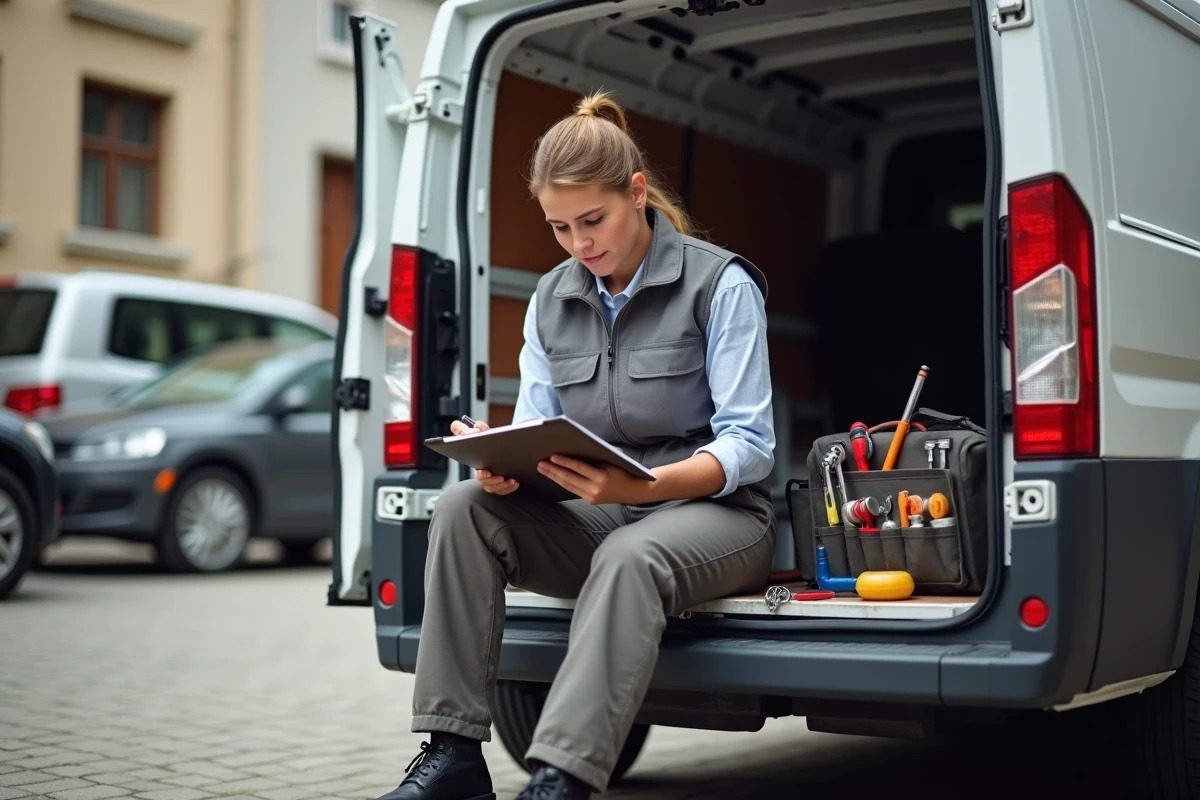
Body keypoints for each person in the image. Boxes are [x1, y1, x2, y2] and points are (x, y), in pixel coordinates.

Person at [378, 90, 777, 800]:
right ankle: (453, 757)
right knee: (464, 508)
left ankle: (561, 776)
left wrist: (646, 490)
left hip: (719, 518)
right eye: (559, 228)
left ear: (636, 192)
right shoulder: (552, 296)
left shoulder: (721, 284)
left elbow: (751, 444)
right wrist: (504, 463)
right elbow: (539, 422)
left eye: (593, 221)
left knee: (631, 554)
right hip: (603, 509)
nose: (578, 244)